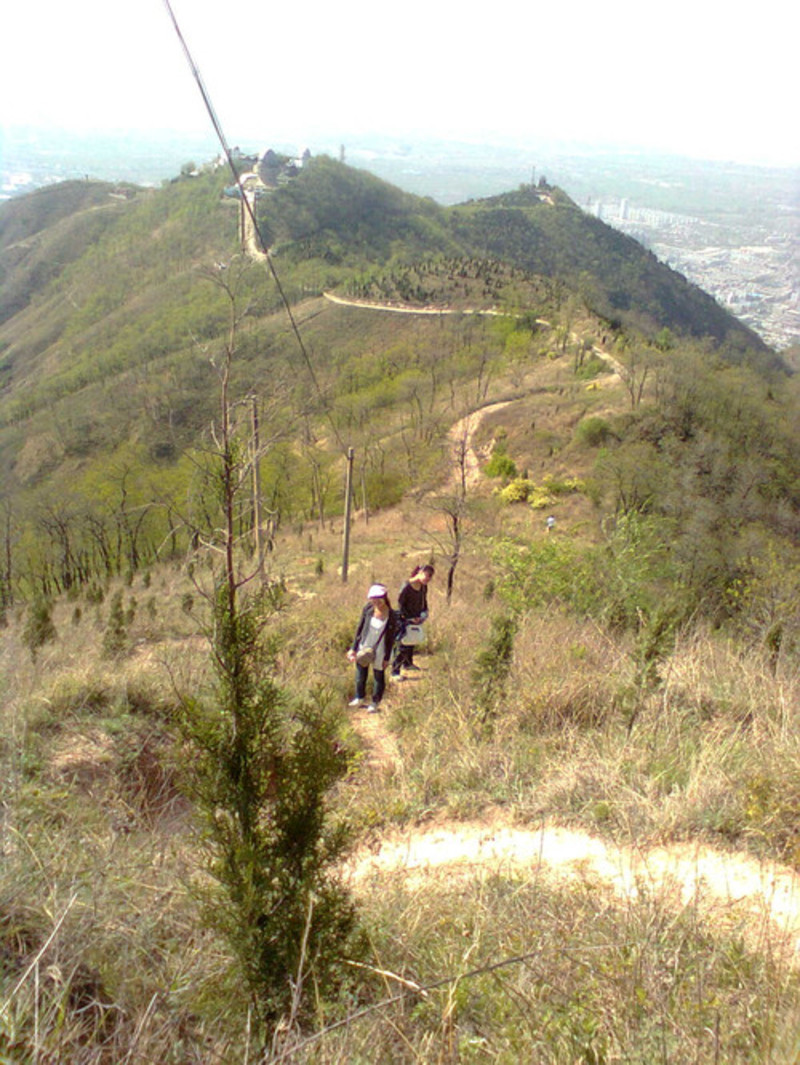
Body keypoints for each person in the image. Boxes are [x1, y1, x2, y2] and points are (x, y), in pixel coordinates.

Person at [347, 584, 398, 713]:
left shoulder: (392, 615)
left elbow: (391, 638)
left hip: (381, 649)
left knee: (378, 675)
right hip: (365, 645)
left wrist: (386, 658)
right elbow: (360, 628)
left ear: (384, 598)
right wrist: (353, 648)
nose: (376, 602)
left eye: (378, 598)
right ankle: (359, 697)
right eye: (373, 599)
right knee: (360, 673)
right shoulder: (368, 609)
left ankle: (375, 702)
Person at [391, 564, 434, 680]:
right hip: (404, 619)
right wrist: (407, 617)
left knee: (412, 641)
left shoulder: (423, 587)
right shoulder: (406, 586)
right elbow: (400, 604)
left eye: (430, 577)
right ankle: (395, 671)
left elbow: (424, 601)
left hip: (416, 617)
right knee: (402, 645)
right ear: (420, 573)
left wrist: (423, 613)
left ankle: (408, 663)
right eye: (426, 575)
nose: (428, 579)